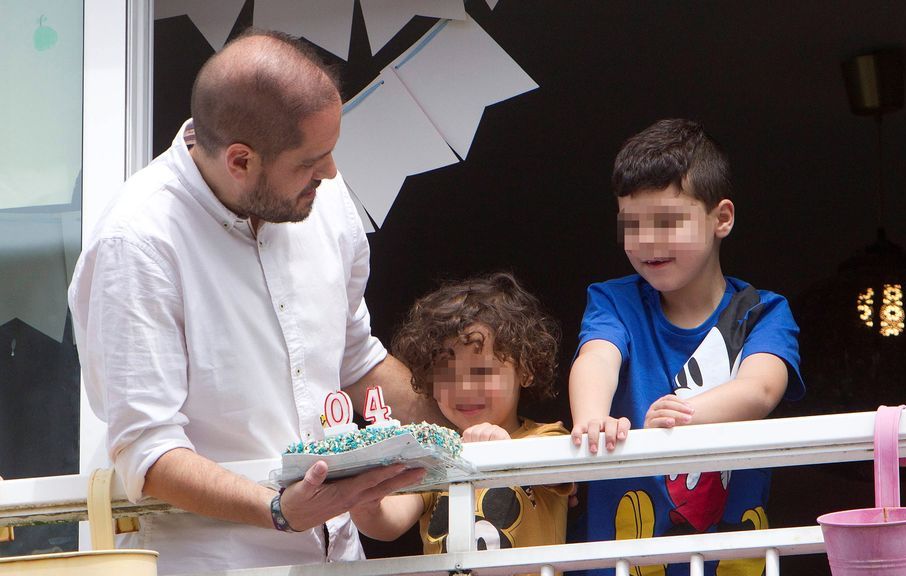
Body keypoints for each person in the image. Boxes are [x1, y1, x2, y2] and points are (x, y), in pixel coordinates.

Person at [68, 29, 438, 574]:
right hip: (214, 563)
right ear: (240, 160)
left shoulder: (324, 198)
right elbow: (148, 452)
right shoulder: (138, 241)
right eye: (310, 161)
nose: (330, 173)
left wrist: (465, 433)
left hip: (340, 558)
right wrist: (279, 511)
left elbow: (356, 360)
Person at [567, 119, 804, 576]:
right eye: (631, 224)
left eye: (667, 221)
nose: (647, 241)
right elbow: (597, 357)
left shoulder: (764, 312)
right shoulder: (614, 301)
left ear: (722, 218)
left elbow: (760, 390)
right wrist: (591, 417)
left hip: (728, 564)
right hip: (622, 564)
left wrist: (681, 414)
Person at [350, 272, 572, 573]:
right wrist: (364, 504)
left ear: (525, 370)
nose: (465, 389)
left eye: (482, 372)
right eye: (447, 375)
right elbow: (389, 523)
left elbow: (559, 472)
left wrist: (502, 450)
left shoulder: (548, 436)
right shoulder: (434, 453)